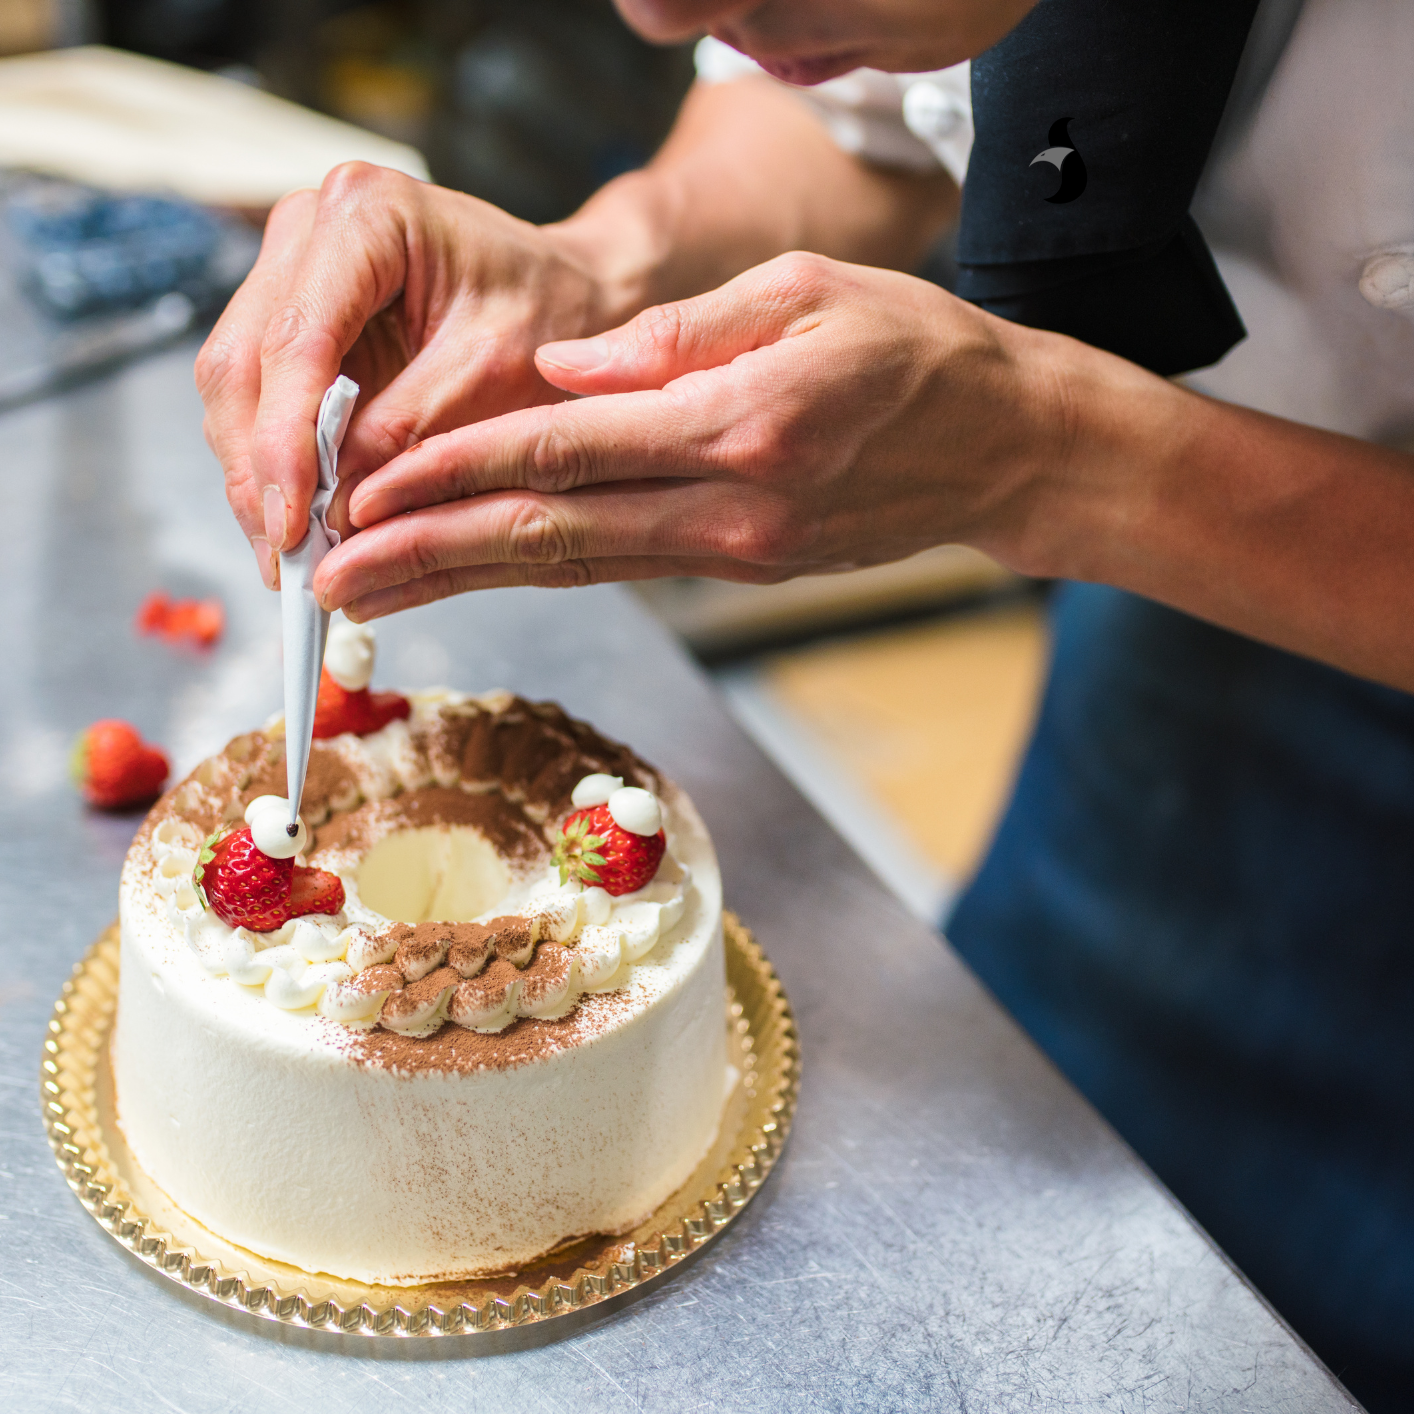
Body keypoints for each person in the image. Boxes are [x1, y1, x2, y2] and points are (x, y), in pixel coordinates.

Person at [196, 0, 1414, 1403]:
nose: (652, 12)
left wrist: (1062, 469)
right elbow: (864, 115)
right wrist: (603, 261)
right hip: (1178, 654)